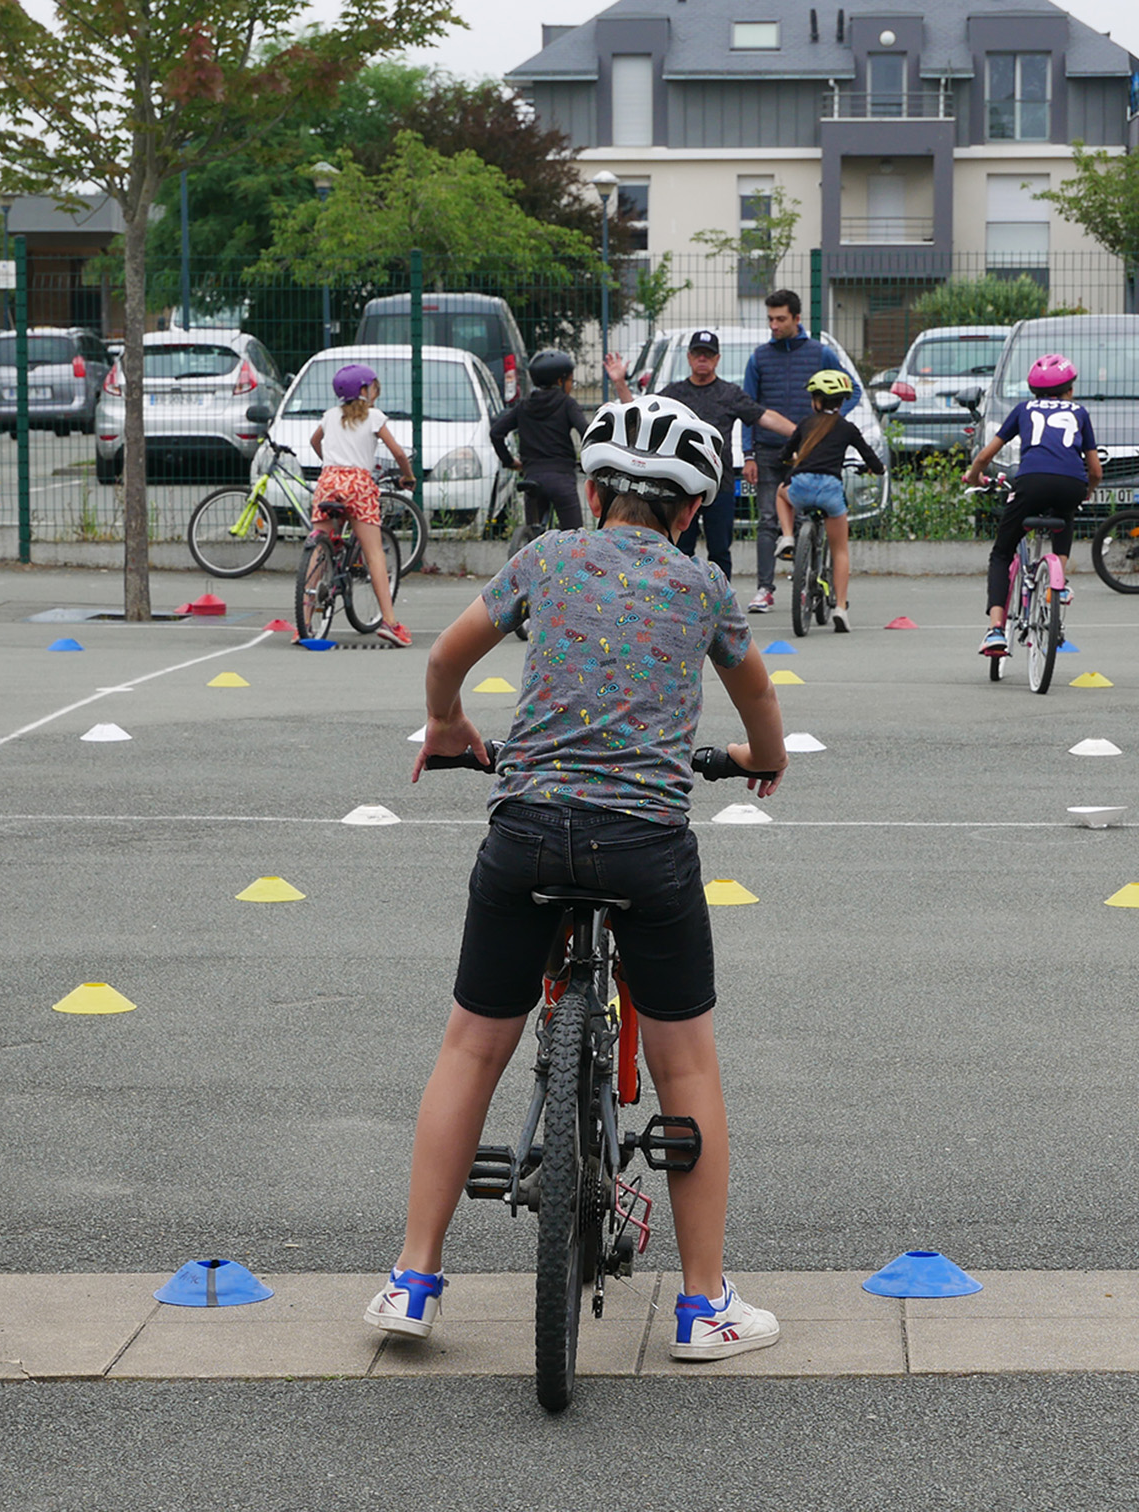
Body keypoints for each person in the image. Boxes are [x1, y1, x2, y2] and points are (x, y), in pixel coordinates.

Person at [372, 395, 789, 1362]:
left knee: (473, 1046)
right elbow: (759, 698)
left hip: (525, 834)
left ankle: (413, 1279)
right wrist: (760, 756)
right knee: (687, 1063)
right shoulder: (704, 587)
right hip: (645, 845)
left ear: (593, 493)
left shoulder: (546, 560)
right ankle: (702, 1307)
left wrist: (447, 723)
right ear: (690, 513)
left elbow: (445, 657)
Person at [606, 330, 794, 579]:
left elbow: (764, 416)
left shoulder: (729, 393)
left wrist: (803, 433)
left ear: (717, 359)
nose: (702, 359)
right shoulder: (675, 393)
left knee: (720, 551)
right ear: (689, 357)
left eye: (708, 355)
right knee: (679, 549)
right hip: (680, 485)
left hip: (720, 484)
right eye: (697, 354)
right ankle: (677, 599)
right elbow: (639, 412)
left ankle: (720, 602)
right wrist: (619, 382)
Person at [963, 354, 1103, 657]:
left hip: (1031, 482)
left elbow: (985, 457)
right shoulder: (1079, 412)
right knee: (1066, 512)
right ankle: (1059, 585)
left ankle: (995, 631)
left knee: (1001, 553)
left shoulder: (1023, 409)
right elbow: (1095, 471)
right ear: (1069, 389)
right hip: (1071, 484)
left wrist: (975, 476)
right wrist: (1087, 491)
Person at [741, 290, 854, 613]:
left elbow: (851, 390)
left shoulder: (820, 353)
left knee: (806, 517)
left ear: (797, 319)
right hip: (767, 451)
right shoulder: (759, 357)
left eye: (781, 319)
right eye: (770, 319)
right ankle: (765, 588)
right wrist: (748, 453)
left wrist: (831, 425)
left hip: (809, 455)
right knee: (766, 520)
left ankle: (808, 583)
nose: (774, 325)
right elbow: (749, 408)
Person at [308, 363, 417, 647]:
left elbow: (314, 441)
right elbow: (397, 452)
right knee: (374, 554)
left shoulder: (330, 416)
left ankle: (305, 622)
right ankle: (390, 623)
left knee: (318, 546)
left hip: (328, 481)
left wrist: (330, 463)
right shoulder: (374, 417)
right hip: (359, 485)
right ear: (365, 391)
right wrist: (408, 475)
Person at [778, 369, 885, 632]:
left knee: (781, 493)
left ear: (816, 400)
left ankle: (789, 537)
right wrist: (873, 469)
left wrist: (792, 461)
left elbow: (784, 454)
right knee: (840, 550)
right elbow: (874, 462)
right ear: (841, 401)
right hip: (830, 490)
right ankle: (840, 608)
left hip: (801, 486)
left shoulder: (805, 424)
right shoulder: (847, 428)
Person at [488, 349, 590, 534]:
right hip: (562, 479)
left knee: (535, 538)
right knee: (576, 537)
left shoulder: (524, 406)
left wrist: (509, 461)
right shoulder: (567, 404)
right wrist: (590, 460)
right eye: (570, 381)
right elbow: (587, 433)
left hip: (532, 478)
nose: (571, 386)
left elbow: (496, 433)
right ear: (560, 381)